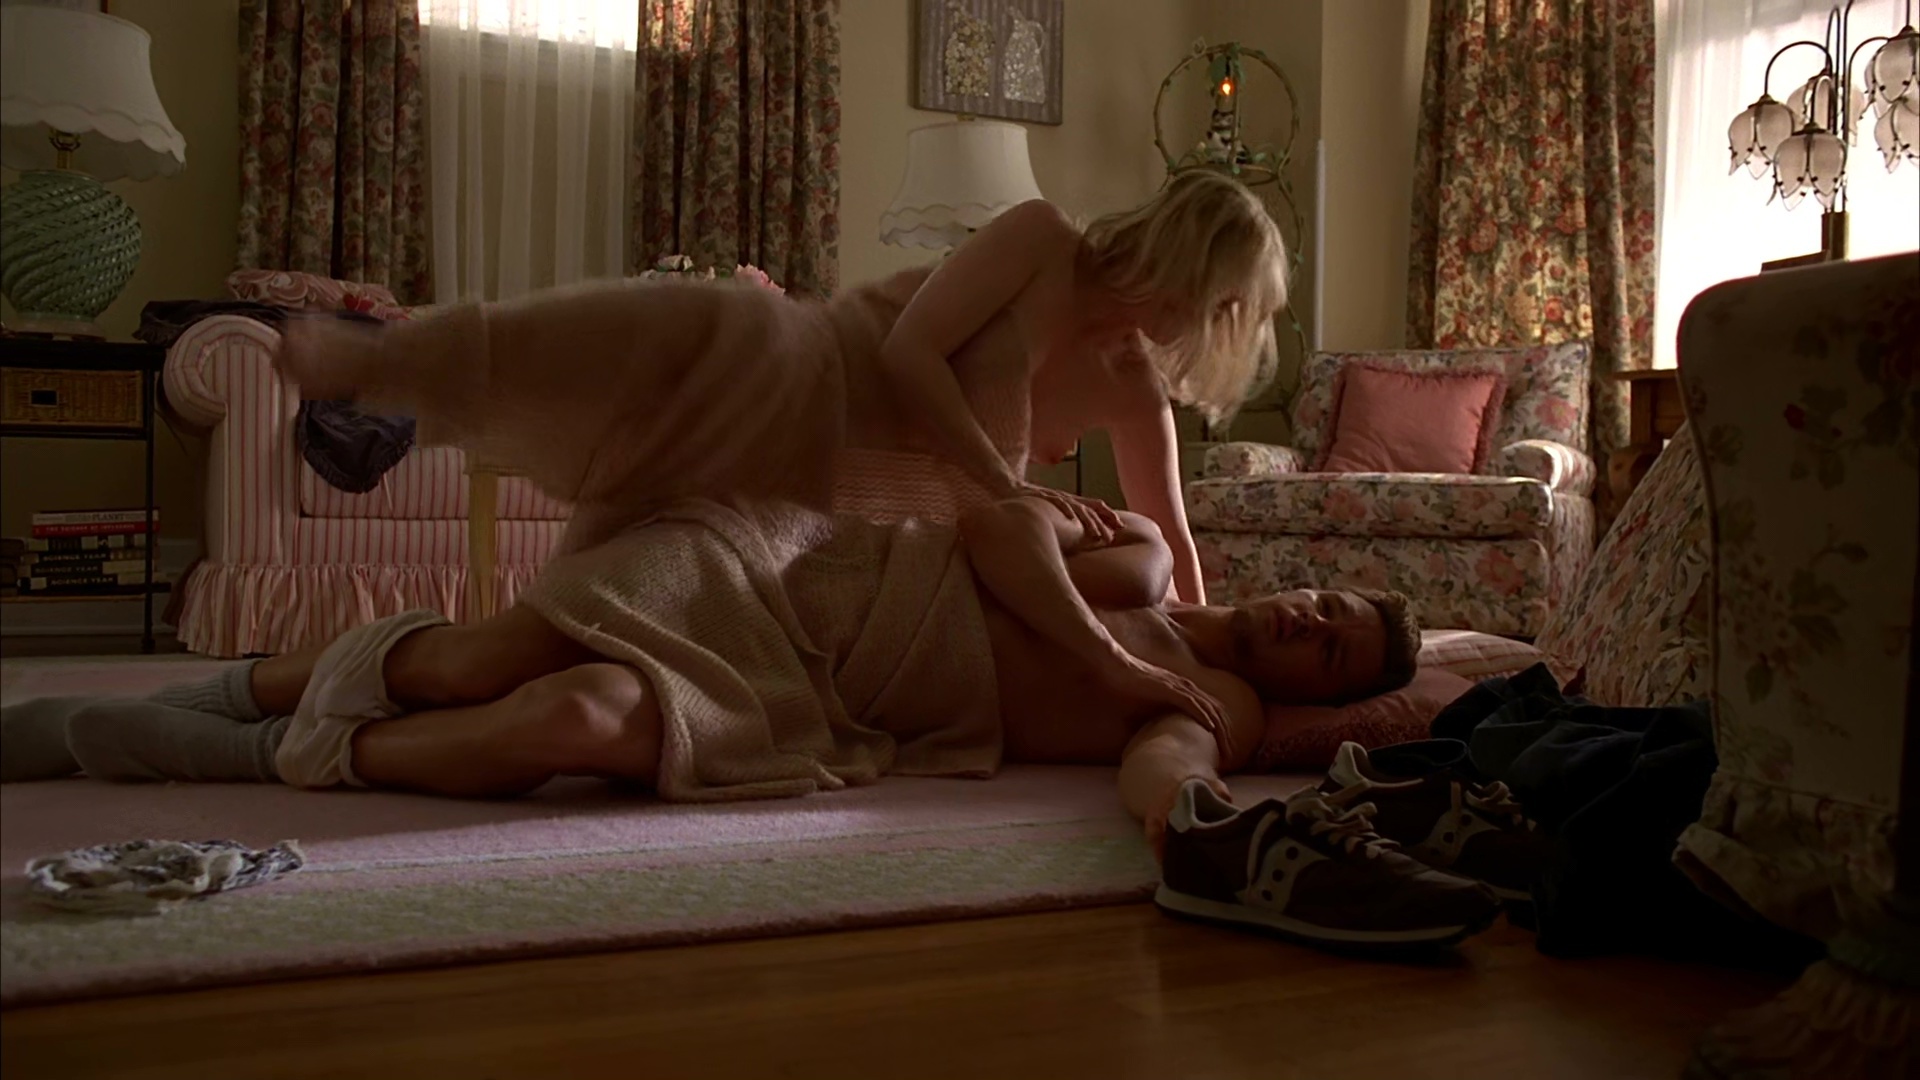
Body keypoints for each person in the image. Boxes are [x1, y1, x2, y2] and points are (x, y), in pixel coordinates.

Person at [274, 170, 1288, 602]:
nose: (1217, 330)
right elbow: (908, 353)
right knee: (688, 321)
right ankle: (390, 358)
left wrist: (1218, 645)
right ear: (1189, 266)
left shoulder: (1132, 388)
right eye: (1227, 304)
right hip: (808, 373)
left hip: (820, 500)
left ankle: (326, 703)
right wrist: (1008, 484)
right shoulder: (1041, 240)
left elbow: (1174, 542)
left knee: (585, 604)